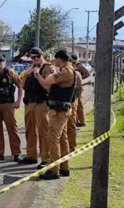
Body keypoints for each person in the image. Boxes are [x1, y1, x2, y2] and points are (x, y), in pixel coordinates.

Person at [34, 50, 76, 180]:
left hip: (59, 111)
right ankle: (64, 167)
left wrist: (37, 75)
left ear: (60, 59)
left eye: (55, 59)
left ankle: (54, 169)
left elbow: (47, 81)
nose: (53, 61)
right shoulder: (65, 70)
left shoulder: (66, 71)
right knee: (62, 139)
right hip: (59, 109)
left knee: (53, 138)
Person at [19, 47, 56, 169]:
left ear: (42, 56)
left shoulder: (48, 68)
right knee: (30, 130)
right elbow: (22, 86)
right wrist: (26, 74)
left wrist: (37, 74)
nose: (35, 59)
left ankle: (45, 157)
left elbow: (48, 86)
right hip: (29, 103)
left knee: (43, 131)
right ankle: (31, 155)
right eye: (32, 57)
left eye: (37, 57)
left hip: (41, 104)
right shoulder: (30, 69)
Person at [67, 57, 83, 153]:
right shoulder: (63, 73)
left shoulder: (76, 74)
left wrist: (76, 98)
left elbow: (79, 88)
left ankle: (72, 146)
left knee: (71, 123)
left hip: (72, 101)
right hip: (63, 102)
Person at [71, 55, 90, 127]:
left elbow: (87, 73)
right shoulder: (75, 65)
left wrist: (80, 79)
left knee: (79, 104)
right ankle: (78, 120)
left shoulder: (79, 66)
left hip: (78, 87)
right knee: (76, 104)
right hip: (75, 86)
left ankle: (81, 121)